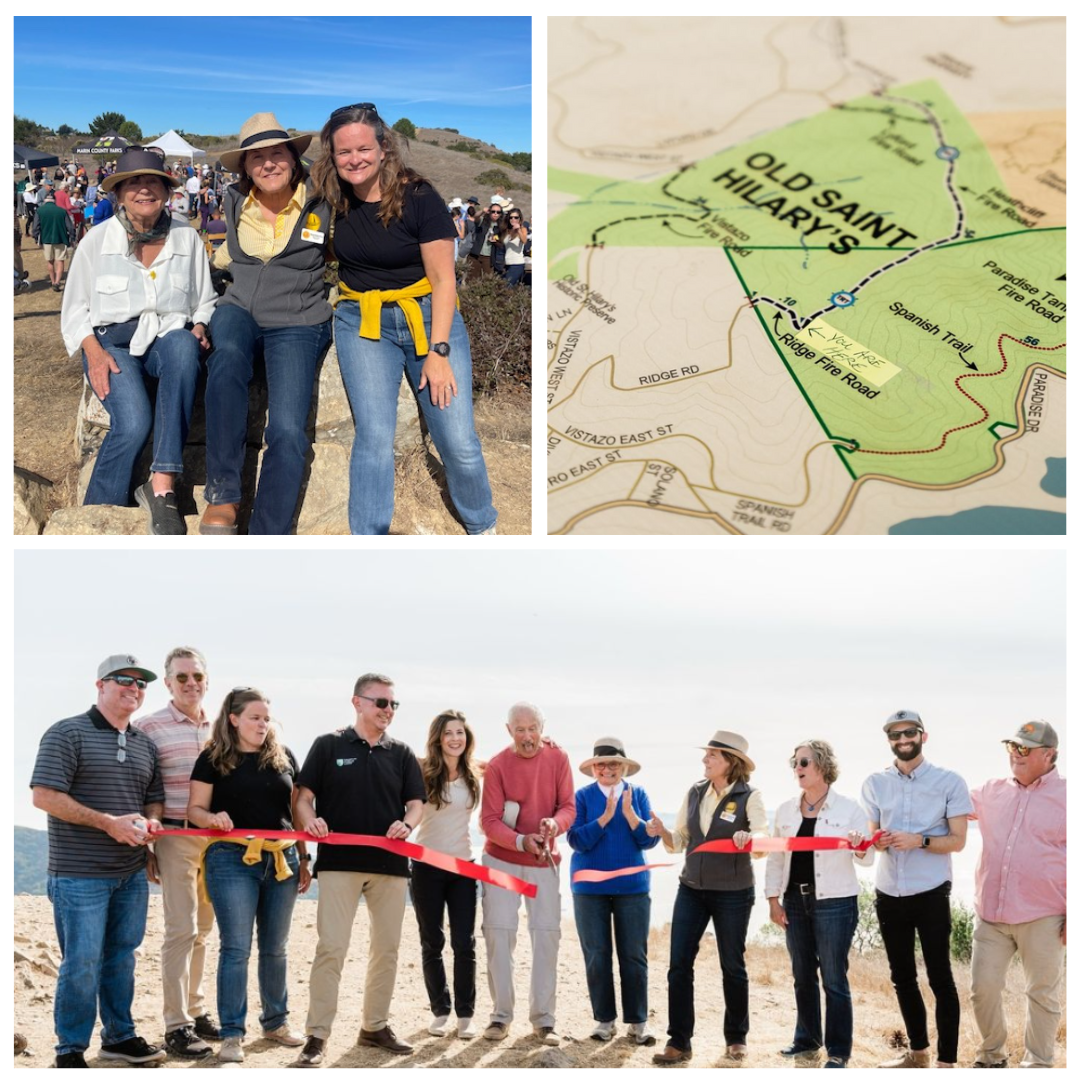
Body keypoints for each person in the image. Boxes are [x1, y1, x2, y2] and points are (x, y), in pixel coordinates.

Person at [311, 102, 497, 535]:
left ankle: (482, 524)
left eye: (363, 149)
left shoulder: (418, 196)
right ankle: (370, 537)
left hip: (428, 316)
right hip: (363, 319)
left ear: (383, 148)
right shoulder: (331, 201)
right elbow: (324, 250)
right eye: (343, 152)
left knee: (456, 439)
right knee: (374, 437)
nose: (354, 159)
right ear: (332, 156)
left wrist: (439, 352)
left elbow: (443, 279)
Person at [60, 146, 216, 534]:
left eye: (153, 182)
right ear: (118, 193)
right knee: (132, 424)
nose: (144, 190)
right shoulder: (97, 241)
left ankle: (161, 488)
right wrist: (94, 353)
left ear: (166, 191)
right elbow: (75, 310)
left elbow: (205, 300)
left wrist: (199, 325)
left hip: (167, 337)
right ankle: (94, 518)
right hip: (111, 343)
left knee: (182, 345)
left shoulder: (186, 237)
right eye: (133, 182)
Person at [30, 654, 167, 1068]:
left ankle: (119, 1038)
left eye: (142, 683)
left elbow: (152, 799)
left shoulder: (145, 743)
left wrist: (153, 823)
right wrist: (108, 824)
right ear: (100, 685)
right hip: (78, 875)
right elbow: (44, 796)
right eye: (123, 680)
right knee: (82, 962)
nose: (134, 688)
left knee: (122, 958)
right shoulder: (67, 732)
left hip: (130, 874)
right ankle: (69, 1050)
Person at [200, 112, 333, 536]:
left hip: (298, 318)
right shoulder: (235, 201)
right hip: (238, 308)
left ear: (294, 159)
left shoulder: (324, 202)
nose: (268, 164)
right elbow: (227, 257)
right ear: (245, 167)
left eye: (277, 153)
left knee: (289, 428)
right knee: (226, 363)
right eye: (256, 158)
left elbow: (354, 252)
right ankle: (223, 495)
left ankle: (268, 533)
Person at [292, 673, 425, 1065]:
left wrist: (409, 823)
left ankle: (374, 1026)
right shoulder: (328, 744)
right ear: (357, 703)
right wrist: (310, 820)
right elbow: (302, 798)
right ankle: (317, 1036)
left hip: (391, 866)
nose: (388, 711)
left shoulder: (401, 752)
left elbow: (416, 802)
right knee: (331, 947)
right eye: (381, 703)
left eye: (393, 705)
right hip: (338, 864)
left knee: (387, 950)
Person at [187, 687, 310, 1064]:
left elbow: (298, 810)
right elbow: (195, 810)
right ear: (234, 719)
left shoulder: (284, 756)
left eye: (266, 718)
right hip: (230, 859)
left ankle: (275, 1022)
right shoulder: (212, 757)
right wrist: (213, 820)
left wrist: (305, 859)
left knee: (276, 947)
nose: (262, 724)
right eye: (255, 717)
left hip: (282, 861)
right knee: (236, 948)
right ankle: (231, 1034)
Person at [646, 730, 767, 1065]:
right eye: (707, 754)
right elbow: (681, 838)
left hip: (734, 893)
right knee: (679, 965)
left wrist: (750, 837)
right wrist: (662, 832)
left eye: (712, 755)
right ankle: (679, 1041)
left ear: (731, 762)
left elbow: (762, 836)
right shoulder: (696, 792)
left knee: (732, 965)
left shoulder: (749, 796)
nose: (705, 759)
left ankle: (736, 1038)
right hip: (692, 889)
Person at [861, 709, 972, 1069]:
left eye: (909, 733)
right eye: (895, 735)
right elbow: (873, 837)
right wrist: (875, 841)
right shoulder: (874, 783)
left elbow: (957, 842)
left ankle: (947, 1064)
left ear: (923, 736)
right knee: (902, 977)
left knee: (940, 977)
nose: (903, 739)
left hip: (931, 890)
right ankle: (918, 1054)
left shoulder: (950, 782)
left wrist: (919, 840)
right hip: (888, 891)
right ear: (889, 740)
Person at [765, 740, 874, 1069]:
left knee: (834, 978)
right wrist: (773, 899)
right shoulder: (785, 810)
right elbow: (775, 857)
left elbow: (867, 859)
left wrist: (858, 844)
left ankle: (838, 1052)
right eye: (795, 764)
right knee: (801, 974)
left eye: (804, 763)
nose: (797, 769)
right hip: (794, 901)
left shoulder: (850, 809)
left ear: (823, 767)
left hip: (835, 903)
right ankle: (807, 1040)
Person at [134, 647, 219, 1059]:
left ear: (206, 680)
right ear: (168, 683)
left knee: (203, 930)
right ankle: (176, 1024)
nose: (191, 684)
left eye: (197, 676)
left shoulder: (222, 729)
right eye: (182, 677)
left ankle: (197, 1009)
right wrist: (150, 845)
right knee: (180, 929)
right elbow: (142, 787)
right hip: (174, 836)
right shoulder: (148, 727)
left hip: (217, 843)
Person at [969, 721, 1065, 1068]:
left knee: (1041, 994)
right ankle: (992, 1057)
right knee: (983, 989)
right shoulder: (990, 791)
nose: (1015, 754)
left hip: (1045, 915)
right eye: (1012, 746)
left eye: (1024, 748)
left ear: (1048, 754)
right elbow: (945, 809)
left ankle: (1038, 1065)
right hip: (991, 914)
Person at [478, 702, 575, 1044]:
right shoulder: (498, 766)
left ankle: (544, 1019)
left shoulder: (558, 758)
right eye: (519, 729)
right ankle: (500, 1016)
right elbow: (488, 821)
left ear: (542, 729)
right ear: (509, 732)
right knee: (499, 933)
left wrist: (554, 824)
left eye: (532, 728)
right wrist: (520, 840)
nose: (527, 736)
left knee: (546, 935)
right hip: (502, 860)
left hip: (545, 860)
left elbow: (568, 807)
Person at [567, 738, 659, 1045]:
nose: (608, 769)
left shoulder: (639, 794)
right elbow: (577, 840)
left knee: (634, 955)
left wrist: (631, 816)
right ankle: (604, 1021)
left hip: (632, 888)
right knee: (597, 955)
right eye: (602, 764)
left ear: (624, 767)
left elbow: (648, 841)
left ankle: (638, 1023)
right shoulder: (581, 797)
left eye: (614, 764)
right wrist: (605, 817)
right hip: (588, 888)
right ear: (594, 768)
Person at [411, 710, 484, 1039]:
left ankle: (465, 1015)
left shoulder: (474, 772)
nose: (455, 738)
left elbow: (514, 757)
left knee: (464, 943)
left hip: (463, 868)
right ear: (438, 738)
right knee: (432, 941)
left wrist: (546, 744)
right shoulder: (421, 769)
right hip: (426, 867)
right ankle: (440, 1010)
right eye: (449, 733)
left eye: (460, 733)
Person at [31, 190, 75, 291]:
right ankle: (57, 282)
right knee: (60, 261)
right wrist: (72, 238)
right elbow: (70, 227)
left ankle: (52, 280)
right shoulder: (62, 211)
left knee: (50, 261)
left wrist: (35, 237)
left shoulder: (40, 211)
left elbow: (35, 227)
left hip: (46, 239)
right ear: (54, 201)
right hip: (60, 238)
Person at [464, 203, 504, 278]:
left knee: (488, 279)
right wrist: (482, 211)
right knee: (472, 279)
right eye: (493, 211)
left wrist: (495, 242)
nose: (495, 214)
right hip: (475, 254)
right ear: (489, 212)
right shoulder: (483, 221)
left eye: (498, 212)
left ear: (500, 214)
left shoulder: (501, 227)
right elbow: (475, 217)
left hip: (489, 257)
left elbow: (502, 244)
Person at [500, 209, 528, 286]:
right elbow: (505, 246)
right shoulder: (507, 230)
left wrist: (518, 230)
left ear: (520, 219)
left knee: (506, 286)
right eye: (511, 217)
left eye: (516, 217)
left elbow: (524, 241)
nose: (513, 219)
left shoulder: (523, 229)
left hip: (517, 263)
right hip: (507, 263)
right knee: (503, 286)